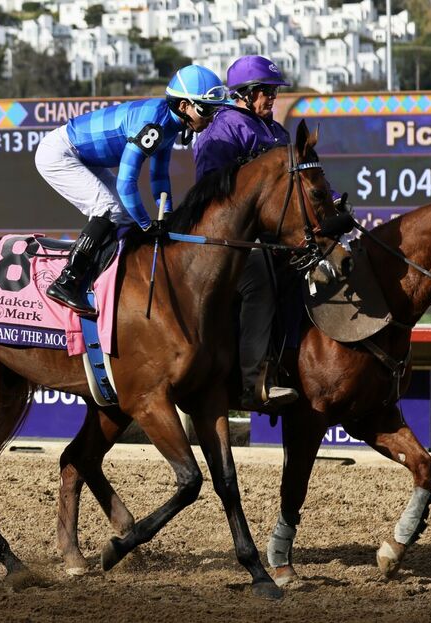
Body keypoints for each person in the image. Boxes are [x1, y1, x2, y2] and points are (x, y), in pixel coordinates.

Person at [36, 64, 231, 315]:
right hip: (60, 153)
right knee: (109, 208)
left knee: (123, 218)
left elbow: (159, 175)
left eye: (215, 110)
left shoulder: (171, 125)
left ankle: (102, 282)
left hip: (84, 157)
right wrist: (147, 224)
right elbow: (126, 182)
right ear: (183, 106)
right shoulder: (154, 125)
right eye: (205, 109)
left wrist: (167, 214)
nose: (210, 118)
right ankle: (67, 281)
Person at [192, 55, 299, 411]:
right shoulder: (224, 129)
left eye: (273, 92)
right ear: (245, 93)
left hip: (275, 237)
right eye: (266, 92)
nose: (272, 98)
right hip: (232, 240)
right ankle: (253, 383)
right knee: (260, 285)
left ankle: (296, 364)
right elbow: (210, 190)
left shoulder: (278, 132)